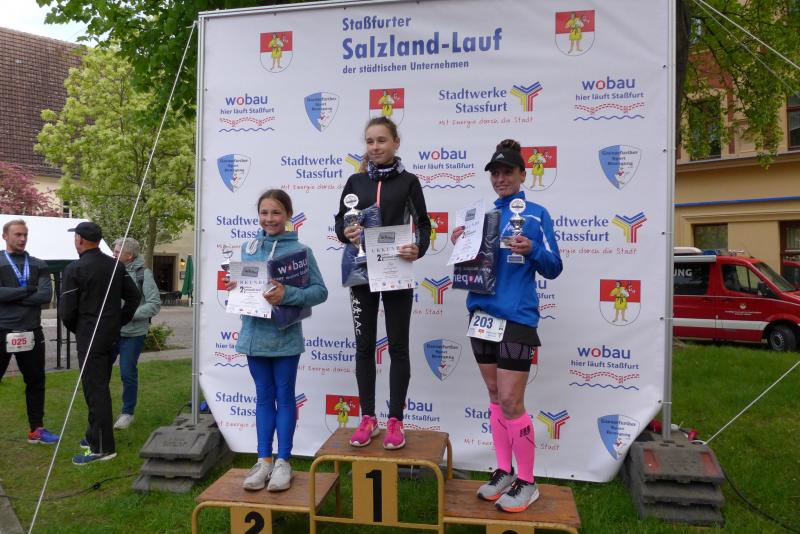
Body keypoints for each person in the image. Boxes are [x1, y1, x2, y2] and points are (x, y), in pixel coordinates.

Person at [451, 139, 562, 512]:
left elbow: (554, 267)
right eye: (495, 173)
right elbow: (470, 267)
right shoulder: (482, 218)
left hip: (516, 318)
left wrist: (533, 249)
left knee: (513, 401)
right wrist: (461, 245)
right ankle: (504, 471)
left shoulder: (536, 215)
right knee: (496, 396)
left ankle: (528, 482)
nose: (500, 179)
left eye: (507, 172)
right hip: (481, 316)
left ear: (522, 174)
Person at [334, 116, 431, 450]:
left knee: (398, 347)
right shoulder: (355, 181)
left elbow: (424, 224)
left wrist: (418, 247)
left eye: (381, 140)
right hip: (361, 272)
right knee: (364, 347)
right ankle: (368, 418)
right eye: (370, 141)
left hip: (395, 271)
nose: (375, 147)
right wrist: (346, 232)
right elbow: (340, 223)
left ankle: (395, 421)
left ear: (396, 143)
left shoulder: (409, 182)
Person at [228, 190, 328, 492]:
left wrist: (288, 294)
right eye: (264, 212)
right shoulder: (248, 247)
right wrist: (237, 287)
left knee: (284, 397)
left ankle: (284, 462)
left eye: (276, 212)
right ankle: (264, 461)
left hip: (285, 337)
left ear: (288, 215)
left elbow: (319, 292)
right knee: (263, 396)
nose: (269, 219)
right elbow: (247, 286)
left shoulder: (301, 250)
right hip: (254, 336)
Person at [60, 221, 139, 465]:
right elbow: (134, 297)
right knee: (99, 386)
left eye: (76, 237)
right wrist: (118, 322)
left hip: (91, 337)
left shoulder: (75, 269)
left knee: (95, 391)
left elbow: (66, 312)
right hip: (110, 336)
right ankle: (93, 435)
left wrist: (81, 329)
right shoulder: (115, 265)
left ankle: (103, 448)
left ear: (80, 240)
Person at [0, 219, 59, 444]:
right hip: (2, 330)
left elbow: (45, 296)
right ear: (5, 236)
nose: (22, 238)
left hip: (31, 331)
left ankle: (37, 430)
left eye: (25, 234)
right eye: (17, 234)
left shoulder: (38, 264)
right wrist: (27, 290)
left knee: (36, 382)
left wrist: (11, 295)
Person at [111, 237, 161, 429]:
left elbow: (154, 304)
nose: (113, 254)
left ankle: (127, 413)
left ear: (129, 255)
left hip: (133, 333)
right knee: (101, 371)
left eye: (117, 252)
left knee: (127, 373)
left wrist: (128, 314)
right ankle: (101, 409)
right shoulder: (111, 270)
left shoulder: (143, 274)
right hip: (112, 330)